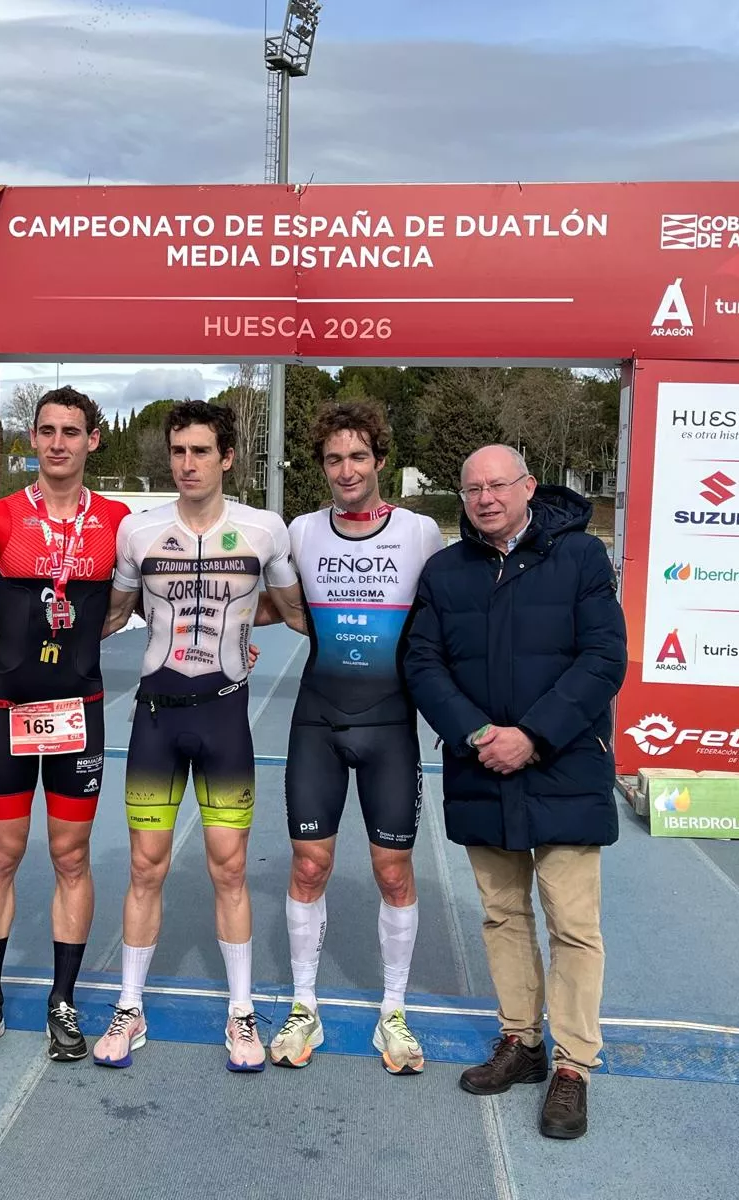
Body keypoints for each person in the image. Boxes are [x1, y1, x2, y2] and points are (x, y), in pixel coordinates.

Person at [403, 444, 626, 1141]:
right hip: (480, 767)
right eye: (472, 489)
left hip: (563, 766)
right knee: (503, 914)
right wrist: (474, 733)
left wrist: (532, 734)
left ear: (529, 486)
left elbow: (603, 658)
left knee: (572, 923)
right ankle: (522, 1042)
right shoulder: (445, 570)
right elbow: (423, 660)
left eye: (498, 485)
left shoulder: (582, 559)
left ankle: (573, 1067)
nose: (486, 499)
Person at [92, 400, 303, 1072]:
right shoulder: (138, 532)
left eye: (201, 452)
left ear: (228, 457)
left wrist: (241, 628)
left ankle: (242, 1015)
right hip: (157, 718)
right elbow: (111, 615)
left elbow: (297, 612)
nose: (187, 464)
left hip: (224, 719)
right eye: (178, 451)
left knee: (230, 869)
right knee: (145, 868)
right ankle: (131, 1008)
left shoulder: (264, 530)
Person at [256, 402, 445, 1076]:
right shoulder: (301, 530)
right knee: (309, 867)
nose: (346, 470)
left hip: (391, 725)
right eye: (334, 459)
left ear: (380, 462)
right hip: (319, 721)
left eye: (358, 457)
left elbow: (454, 616)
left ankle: (393, 1013)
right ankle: (305, 1006)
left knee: (394, 872)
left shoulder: (420, 532)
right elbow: (263, 604)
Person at [0, 386, 130, 1064]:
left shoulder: (115, 521)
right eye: (47, 431)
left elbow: (139, 599)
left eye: (71, 432)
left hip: (78, 714)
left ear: (93, 441)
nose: (58, 443)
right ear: (31, 440)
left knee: (71, 857)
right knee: (0, 856)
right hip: (4, 713)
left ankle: (63, 1000)